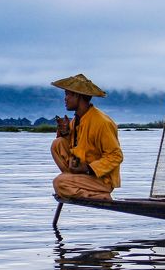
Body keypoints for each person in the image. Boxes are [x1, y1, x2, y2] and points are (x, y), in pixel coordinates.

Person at [51, 73, 123, 201]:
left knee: (59, 182)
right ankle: (71, 182)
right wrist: (66, 134)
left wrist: (89, 168)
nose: (65, 99)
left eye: (67, 94)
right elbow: (76, 148)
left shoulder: (102, 123)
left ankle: (100, 195)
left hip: (101, 180)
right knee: (57, 144)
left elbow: (116, 156)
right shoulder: (76, 121)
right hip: (82, 175)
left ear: (77, 96)